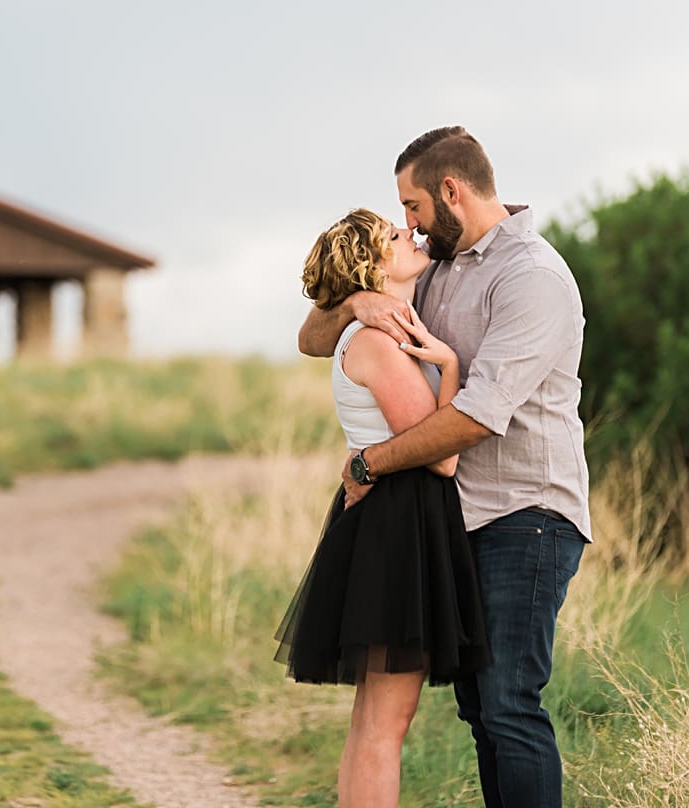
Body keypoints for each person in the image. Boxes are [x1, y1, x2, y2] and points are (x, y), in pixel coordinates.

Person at [297, 127, 592, 808]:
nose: (408, 224)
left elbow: (472, 418)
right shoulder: (432, 267)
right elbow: (313, 338)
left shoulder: (533, 277)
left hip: (527, 515)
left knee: (509, 703)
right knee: (481, 713)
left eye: (413, 208)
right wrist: (353, 303)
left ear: (450, 192)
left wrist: (369, 462)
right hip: (454, 519)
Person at [274, 208, 491, 808]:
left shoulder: (376, 334)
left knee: (372, 717)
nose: (412, 234)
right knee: (384, 724)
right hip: (400, 521)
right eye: (396, 237)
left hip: (391, 518)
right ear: (372, 269)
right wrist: (448, 365)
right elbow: (441, 458)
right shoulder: (375, 343)